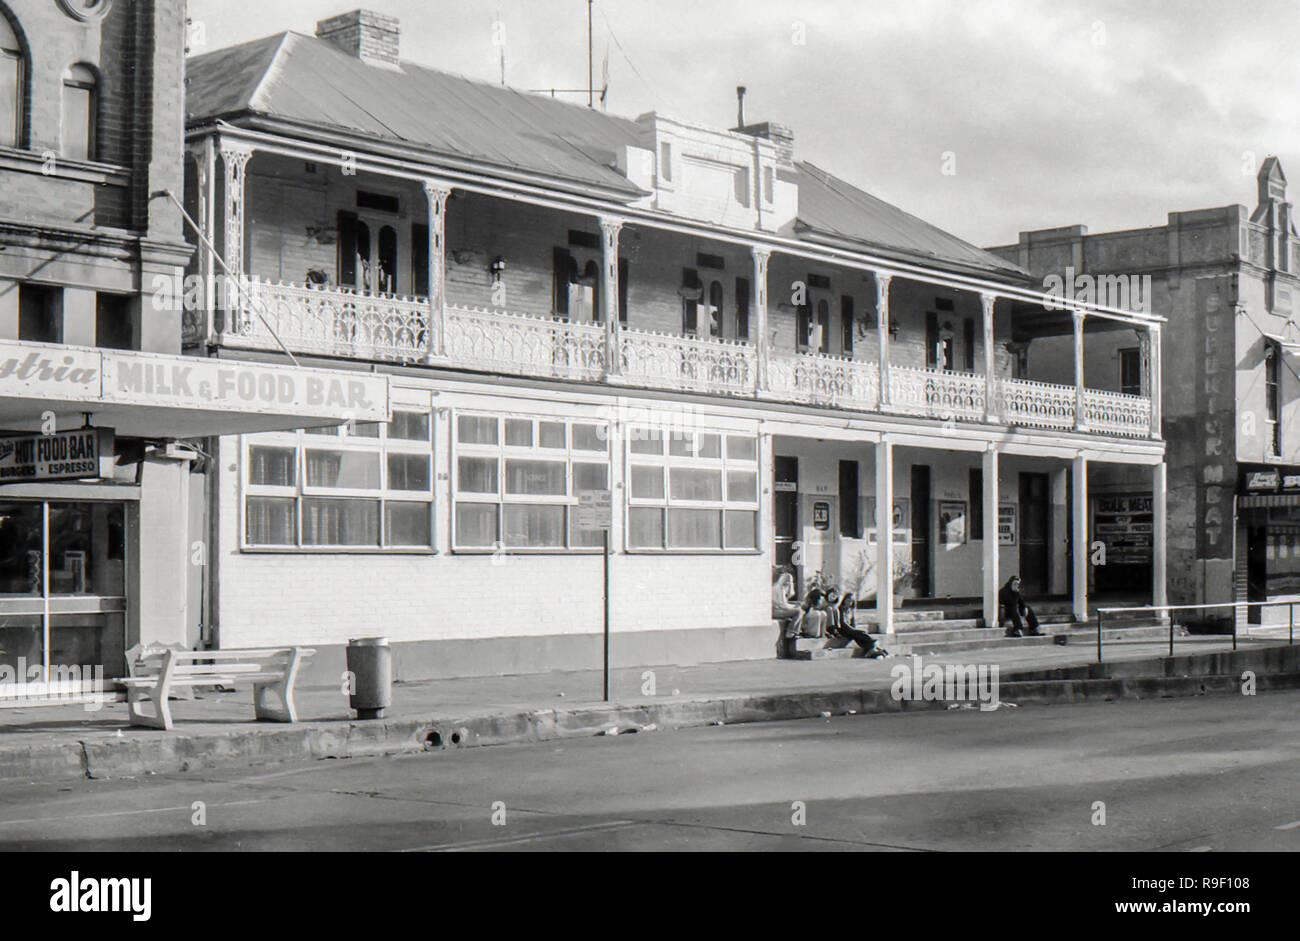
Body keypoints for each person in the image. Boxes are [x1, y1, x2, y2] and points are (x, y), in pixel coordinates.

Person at [824, 587, 890, 659]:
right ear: (844, 600)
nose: (849, 602)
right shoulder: (841, 609)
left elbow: (853, 622)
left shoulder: (851, 610)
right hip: (844, 629)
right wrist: (853, 630)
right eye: (848, 600)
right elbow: (843, 623)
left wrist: (854, 629)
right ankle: (874, 646)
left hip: (850, 630)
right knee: (860, 633)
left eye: (851, 601)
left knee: (859, 636)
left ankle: (871, 649)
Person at [772, 569, 803, 659]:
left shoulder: (782, 588)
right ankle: (792, 631)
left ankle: (795, 632)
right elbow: (783, 605)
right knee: (799, 611)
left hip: (780, 610)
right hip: (776, 611)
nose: (789, 583)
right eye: (788, 581)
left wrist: (790, 590)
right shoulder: (778, 589)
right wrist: (794, 607)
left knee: (798, 611)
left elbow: (789, 597)